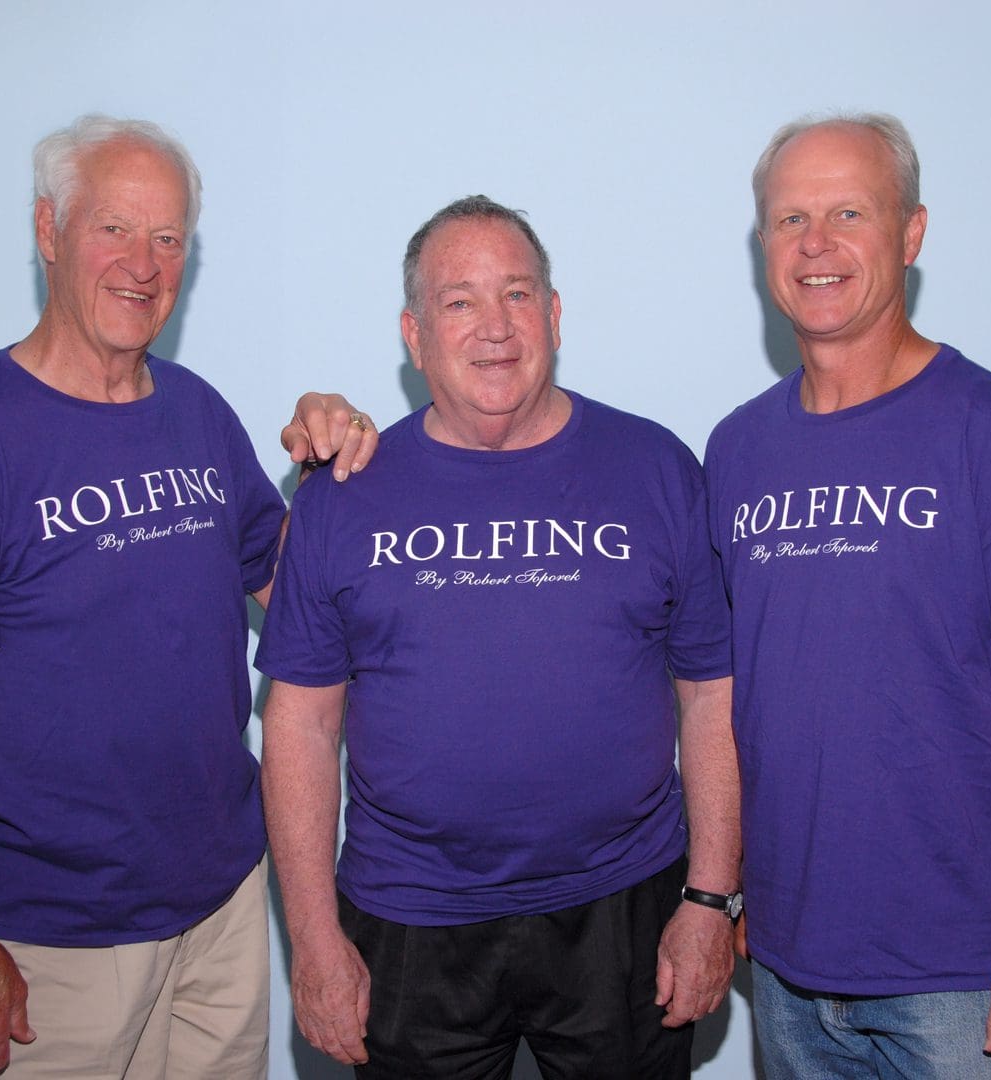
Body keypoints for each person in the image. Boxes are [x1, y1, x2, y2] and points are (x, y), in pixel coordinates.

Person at [0, 114, 377, 1079]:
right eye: (113, 228)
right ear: (49, 230)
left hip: (222, 906)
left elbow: (299, 588)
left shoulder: (197, 413)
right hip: (47, 945)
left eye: (169, 237)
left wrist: (332, 455)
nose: (142, 263)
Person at [256, 195, 740, 1080]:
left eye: (517, 295)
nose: (494, 327)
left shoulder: (656, 470)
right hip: (408, 918)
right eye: (459, 301)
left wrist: (710, 899)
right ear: (413, 332)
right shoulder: (341, 492)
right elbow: (299, 725)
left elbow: (711, 694)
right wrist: (313, 939)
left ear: (553, 315)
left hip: (625, 905)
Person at [705, 112, 991, 1078]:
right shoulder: (735, 450)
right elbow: (727, 696)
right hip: (785, 966)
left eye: (848, 211)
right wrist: (722, 891)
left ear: (911, 233)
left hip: (967, 978)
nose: (815, 245)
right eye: (788, 219)